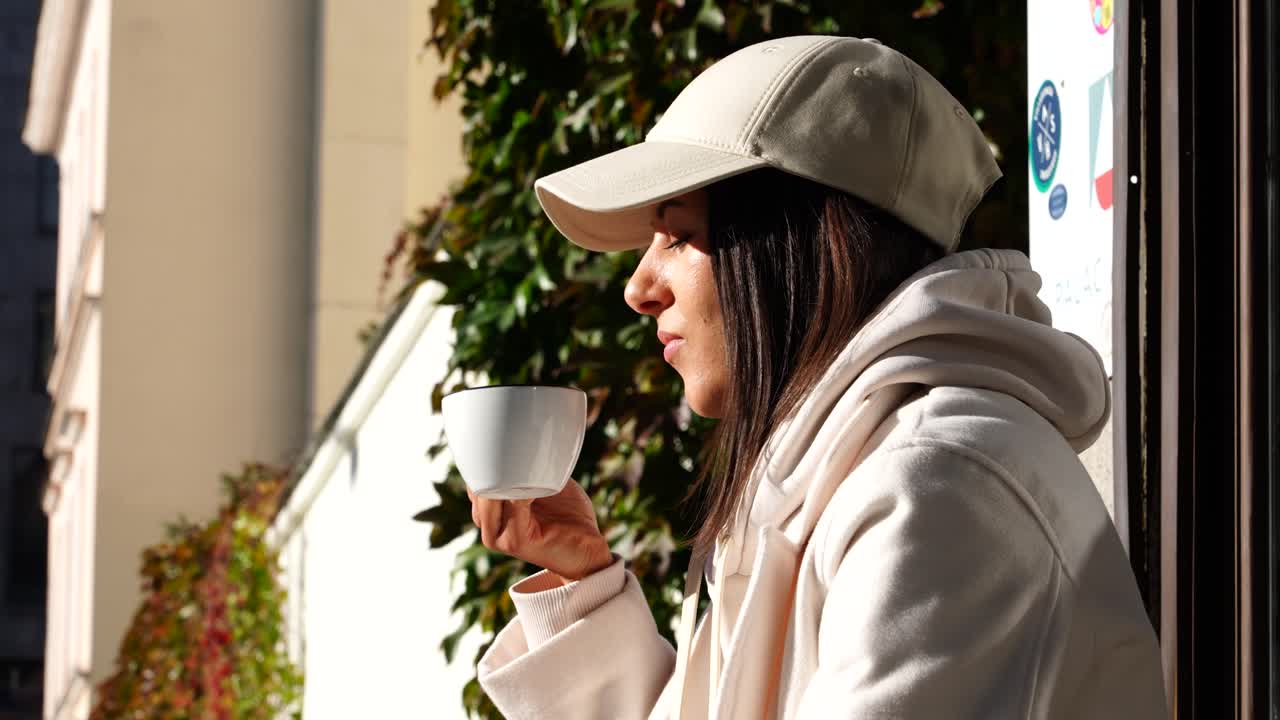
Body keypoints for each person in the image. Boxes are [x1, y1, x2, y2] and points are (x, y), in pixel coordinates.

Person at [465, 35, 1168, 719]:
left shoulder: (937, 482)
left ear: (788, 242)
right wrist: (583, 581)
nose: (639, 288)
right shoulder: (833, 482)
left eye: (676, 235)